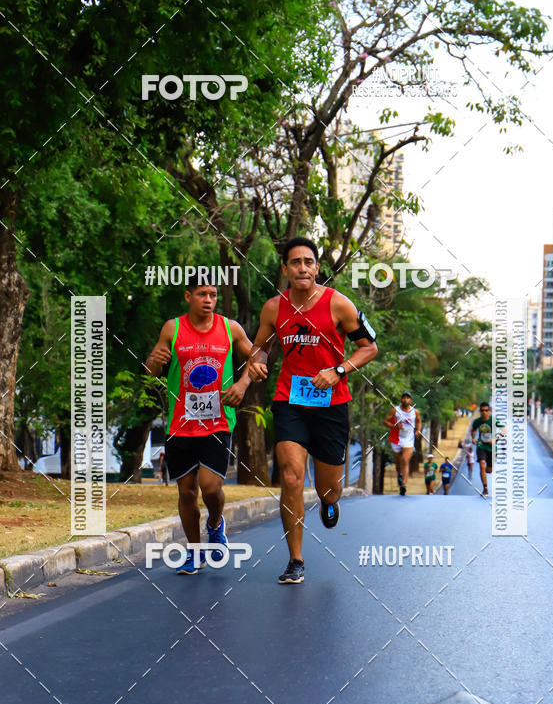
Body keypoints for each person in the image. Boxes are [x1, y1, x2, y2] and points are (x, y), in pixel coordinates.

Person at [248, 236, 378, 585]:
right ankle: (295, 559)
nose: (302, 268)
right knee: (290, 475)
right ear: (285, 269)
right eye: (295, 262)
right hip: (290, 399)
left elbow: (369, 347)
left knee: (328, 487)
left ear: (317, 267)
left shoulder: (339, 305)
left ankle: (329, 501)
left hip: (332, 405)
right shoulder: (273, 308)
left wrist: (338, 371)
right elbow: (259, 349)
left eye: (308, 262)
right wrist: (256, 364)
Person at [145, 275, 253, 574]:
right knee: (187, 492)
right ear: (188, 296)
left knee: (209, 486)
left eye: (213, 294)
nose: (208, 300)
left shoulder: (230, 328)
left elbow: (257, 357)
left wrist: (242, 385)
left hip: (218, 421)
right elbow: (151, 369)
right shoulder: (173, 327)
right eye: (202, 294)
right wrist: (154, 360)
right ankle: (194, 552)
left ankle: (216, 523)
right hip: (181, 423)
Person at [384, 391, 422, 495]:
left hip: (408, 440)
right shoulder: (395, 410)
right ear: (401, 399)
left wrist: (418, 430)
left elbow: (419, 421)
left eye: (408, 398)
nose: (405, 400)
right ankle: (399, 474)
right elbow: (385, 422)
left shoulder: (415, 412)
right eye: (404, 398)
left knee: (405, 460)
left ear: (411, 400)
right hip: (396, 439)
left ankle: (403, 485)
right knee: (398, 463)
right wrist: (395, 426)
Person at [471, 402, 493, 496]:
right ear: (480, 411)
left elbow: (504, 430)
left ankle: (488, 469)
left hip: (492, 448)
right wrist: (473, 438)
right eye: (482, 410)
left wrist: (495, 439)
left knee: (489, 470)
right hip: (481, 446)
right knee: (482, 464)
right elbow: (473, 430)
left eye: (486, 410)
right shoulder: (477, 421)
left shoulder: (493, 421)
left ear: (489, 411)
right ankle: (485, 488)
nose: (484, 412)